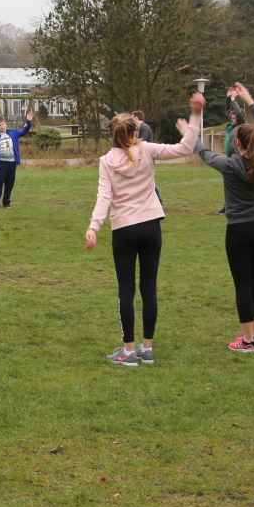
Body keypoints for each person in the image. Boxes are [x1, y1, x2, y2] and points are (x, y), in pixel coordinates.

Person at [85, 93, 204, 367]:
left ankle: (128, 351)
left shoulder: (106, 161)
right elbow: (186, 148)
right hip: (151, 226)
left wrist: (94, 228)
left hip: (124, 230)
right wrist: (196, 114)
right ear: (133, 132)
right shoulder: (147, 149)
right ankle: (147, 348)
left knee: (126, 289)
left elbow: (104, 197)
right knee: (148, 287)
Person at [195, 83, 254, 351]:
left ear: (237, 142)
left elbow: (205, 154)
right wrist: (250, 101)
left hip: (239, 231)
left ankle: (247, 340)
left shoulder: (230, 165)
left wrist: (190, 132)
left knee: (243, 283)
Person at [0, 109, 35, 208]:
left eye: (3, 124)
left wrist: (28, 121)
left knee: (9, 184)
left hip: (12, 164)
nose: (2, 126)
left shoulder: (13, 133)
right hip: (1, 164)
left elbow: (24, 130)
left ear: (6, 125)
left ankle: (6, 203)